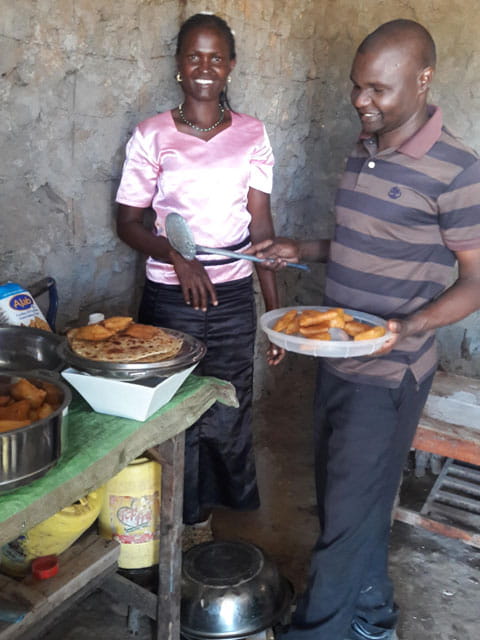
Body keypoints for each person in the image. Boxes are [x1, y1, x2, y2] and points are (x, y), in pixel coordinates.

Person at [248, 19, 480, 640]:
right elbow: (360, 242)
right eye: (357, 86)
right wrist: (299, 246)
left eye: (377, 89)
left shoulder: (457, 170)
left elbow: (476, 281)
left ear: (423, 79)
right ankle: (373, 618)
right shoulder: (366, 147)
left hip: (389, 373)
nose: (361, 100)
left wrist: (412, 325)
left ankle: (316, 632)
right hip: (338, 358)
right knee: (353, 506)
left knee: (344, 520)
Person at [115, 13, 284, 540]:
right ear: (178, 66)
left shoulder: (254, 134)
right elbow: (127, 223)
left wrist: (272, 314)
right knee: (171, 408)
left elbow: (261, 226)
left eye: (216, 57)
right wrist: (176, 257)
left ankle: (208, 514)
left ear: (230, 66)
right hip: (170, 296)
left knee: (229, 403)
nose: (204, 67)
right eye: (194, 56)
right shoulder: (151, 135)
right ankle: (174, 520)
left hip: (233, 294)